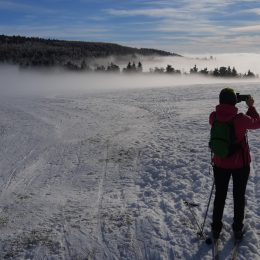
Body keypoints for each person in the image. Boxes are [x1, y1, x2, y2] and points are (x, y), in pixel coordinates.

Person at [209, 88, 260, 240]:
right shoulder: (241, 119)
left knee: (220, 196)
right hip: (240, 165)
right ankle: (237, 229)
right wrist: (250, 106)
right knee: (238, 196)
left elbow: (223, 115)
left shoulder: (213, 116)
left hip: (219, 163)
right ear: (234, 101)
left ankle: (216, 229)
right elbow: (257, 123)